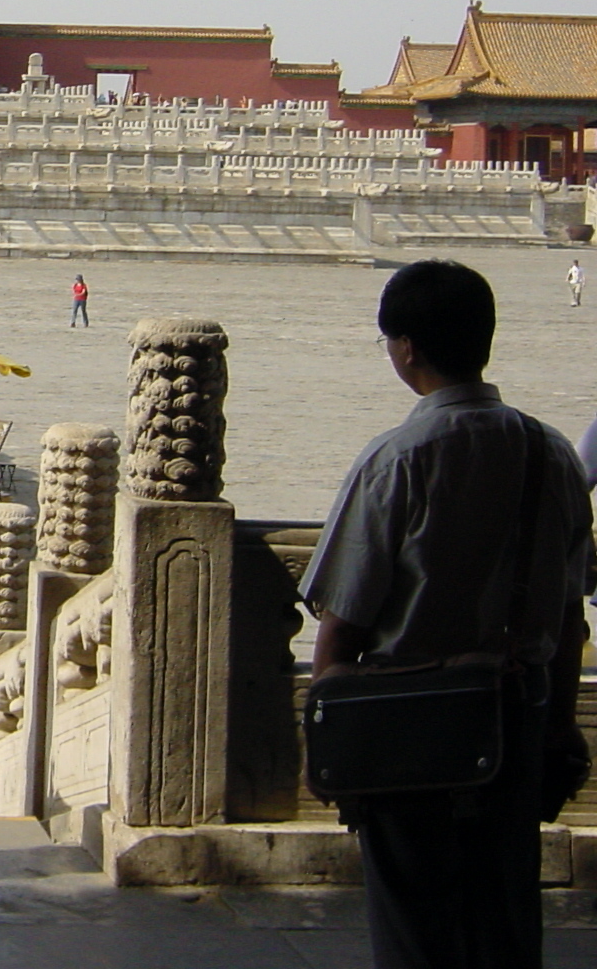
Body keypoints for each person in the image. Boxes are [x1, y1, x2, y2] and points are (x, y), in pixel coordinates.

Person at [302, 259, 591, 967]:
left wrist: (329, 736)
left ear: (405, 349)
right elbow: (570, 619)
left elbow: (341, 623)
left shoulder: (397, 460)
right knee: (505, 923)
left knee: (413, 931)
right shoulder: (550, 453)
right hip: (516, 719)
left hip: (409, 726)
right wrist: (556, 728)